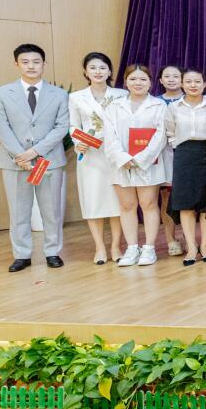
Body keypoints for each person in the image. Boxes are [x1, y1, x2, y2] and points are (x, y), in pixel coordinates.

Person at [104, 64, 168, 267]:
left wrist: (140, 159)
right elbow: (109, 136)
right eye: (133, 79)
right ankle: (132, 248)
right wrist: (123, 158)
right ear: (125, 82)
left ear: (150, 82)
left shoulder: (159, 105)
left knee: (149, 204)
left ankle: (149, 248)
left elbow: (160, 136)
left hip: (148, 164)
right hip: (121, 164)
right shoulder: (114, 106)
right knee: (126, 206)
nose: (137, 83)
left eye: (142, 79)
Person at [68, 51, 126, 265]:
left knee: (117, 202)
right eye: (93, 67)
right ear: (86, 72)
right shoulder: (76, 97)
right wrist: (78, 142)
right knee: (93, 201)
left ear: (110, 71)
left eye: (102, 67)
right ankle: (100, 247)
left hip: (115, 155)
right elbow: (74, 125)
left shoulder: (121, 94)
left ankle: (116, 246)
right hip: (90, 155)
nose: (98, 71)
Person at [166, 68, 206, 265]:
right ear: (182, 84)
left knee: (205, 204)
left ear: (204, 84)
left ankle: (205, 246)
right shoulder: (173, 108)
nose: (193, 85)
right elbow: (170, 133)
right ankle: (192, 247)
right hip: (183, 155)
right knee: (185, 203)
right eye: (188, 81)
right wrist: (179, 147)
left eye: (197, 81)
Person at [153, 63, 186, 256]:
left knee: (190, 197)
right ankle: (171, 240)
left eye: (176, 76)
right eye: (167, 76)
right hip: (163, 154)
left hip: (186, 153)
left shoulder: (191, 99)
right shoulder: (154, 102)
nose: (171, 80)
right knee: (166, 197)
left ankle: (190, 238)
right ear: (160, 80)